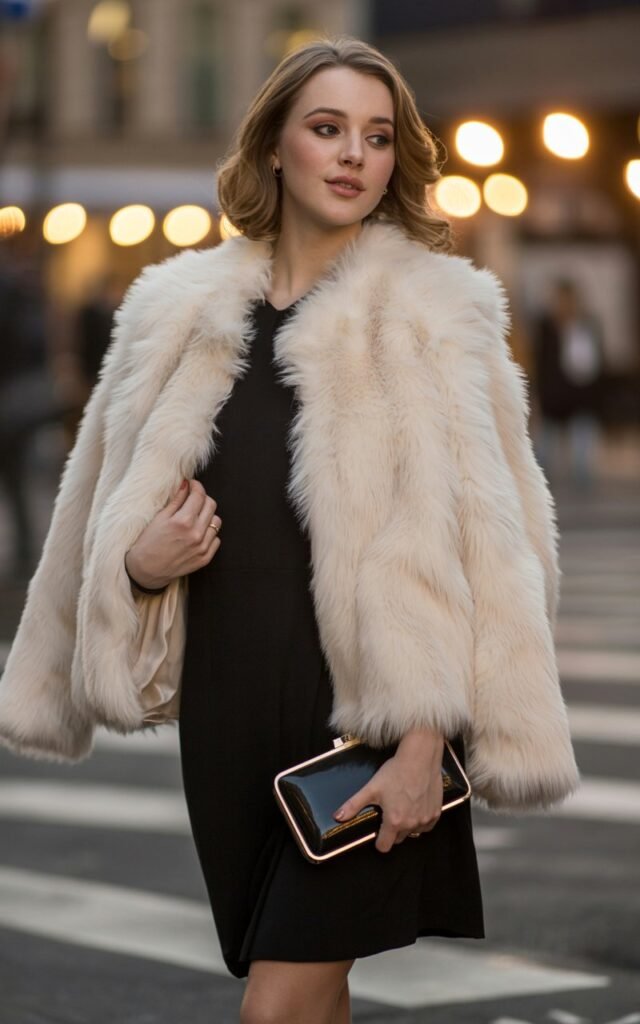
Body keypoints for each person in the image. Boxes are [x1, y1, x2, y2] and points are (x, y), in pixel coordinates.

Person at [0, 37, 579, 1024]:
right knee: (312, 995)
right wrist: (139, 566)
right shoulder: (172, 314)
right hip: (227, 717)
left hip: (371, 728)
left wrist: (422, 747)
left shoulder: (437, 316)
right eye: (327, 128)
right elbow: (90, 518)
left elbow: (497, 545)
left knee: (276, 1006)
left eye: (377, 137)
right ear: (274, 145)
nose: (354, 154)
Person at [532, 277, 605, 489]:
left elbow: (596, 360)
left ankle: (582, 480)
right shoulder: (546, 326)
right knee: (545, 448)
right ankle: (541, 485)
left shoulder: (587, 324)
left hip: (582, 395)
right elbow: (542, 362)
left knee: (582, 444)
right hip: (553, 395)